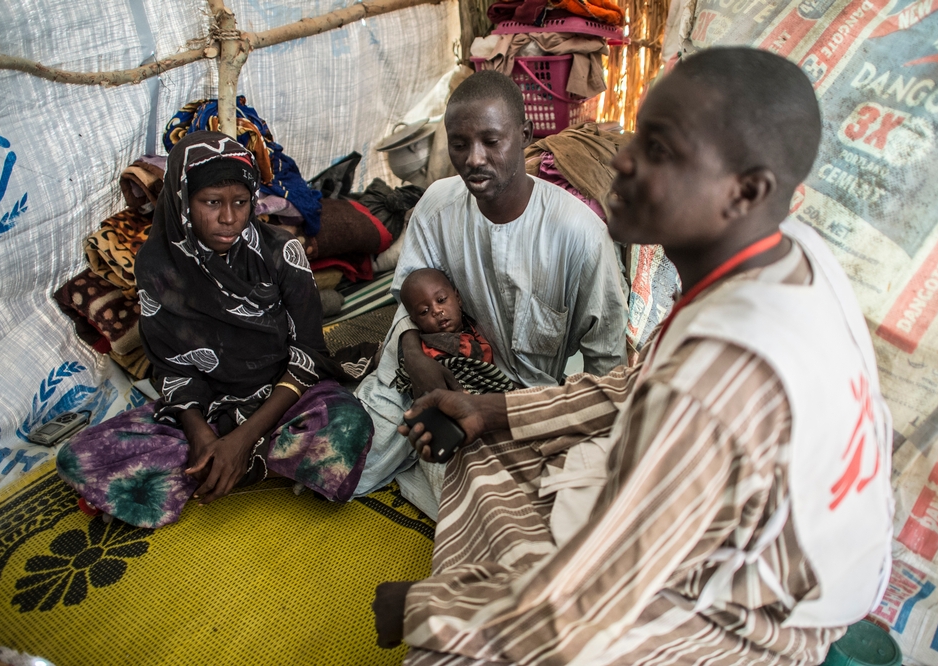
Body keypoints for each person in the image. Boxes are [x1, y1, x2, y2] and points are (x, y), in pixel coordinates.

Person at [374, 47, 894, 665]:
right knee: (483, 451)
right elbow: (626, 387)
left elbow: (599, 595)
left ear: (745, 191)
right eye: (638, 136)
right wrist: (488, 411)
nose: (620, 160)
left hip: (758, 617)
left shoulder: (713, 376)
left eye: (660, 151)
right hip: (794, 558)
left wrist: (423, 608)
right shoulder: (789, 256)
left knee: (458, 651)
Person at [57, 132, 374, 529]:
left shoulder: (280, 252)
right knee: (77, 457)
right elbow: (171, 368)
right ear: (182, 201)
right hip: (207, 409)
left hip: (283, 400)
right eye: (211, 203)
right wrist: (202, 437)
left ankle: (218, 467)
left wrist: (241, 442)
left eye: (240, 203)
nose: (229, 218)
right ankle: (234, 462)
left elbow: (309, 355)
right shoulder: (157, 264)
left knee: (347, 422)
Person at [353, 70, 628, 516]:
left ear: (524, 135)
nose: (474, 159)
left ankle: (431, 467)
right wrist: (413, 353)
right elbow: (408, 291)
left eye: (491, 142)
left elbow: (607, 365)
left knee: (509, 510)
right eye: (459, 145)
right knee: (351, 467)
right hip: (430, 370)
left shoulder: (579, 235)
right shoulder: (438, 205)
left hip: (515, 404)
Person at [394, 268, 514, 396]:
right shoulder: (436, 352)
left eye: (441, 300)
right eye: (424, 311)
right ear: (416, 322)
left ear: (457, 298)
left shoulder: (468, 328)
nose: (437, 311)